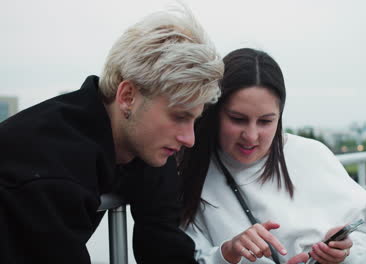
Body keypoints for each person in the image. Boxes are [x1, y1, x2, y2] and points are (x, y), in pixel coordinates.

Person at [0, 6, 223, 264]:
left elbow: (166, 249)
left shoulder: (144, 145)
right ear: (127, 97)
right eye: (179, 117)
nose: (189, 139)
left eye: (194, 120)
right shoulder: (50, 168)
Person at [178, 48, 366, 264]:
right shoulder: (189, 174)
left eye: (265, 121)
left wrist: (344, 254)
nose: (251, 136)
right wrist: (227, 253)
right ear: (214, 111)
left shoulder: (311, 156)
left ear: (279, 117)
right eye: (237, 119)